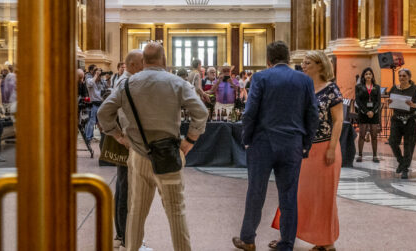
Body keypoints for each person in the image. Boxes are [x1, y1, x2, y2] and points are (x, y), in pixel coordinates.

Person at [98, 42, 208, 251]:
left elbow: (103, 113)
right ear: (163, 59)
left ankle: (131, 248)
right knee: (177, 212)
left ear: (144, 60)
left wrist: (119, 136)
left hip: (138, 155)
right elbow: (201, 112)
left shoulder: (127, 84)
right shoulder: (177, 82)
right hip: (169, 155)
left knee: (136, 212)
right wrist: (190, 141)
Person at [233, 41, 319, 251]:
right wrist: (306, 143)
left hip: (263, 143)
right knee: (289, 194)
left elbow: (250, 112)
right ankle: (286, 243)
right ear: (289, 58)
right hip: (292, 144)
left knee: (256, 191)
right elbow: (313, 115)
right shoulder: (304, 80)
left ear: (268, 60)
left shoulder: (261, 77)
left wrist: (246, 139)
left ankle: (248, 239)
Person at [267, 50, 343, 251]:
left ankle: (326, 242)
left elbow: (338, 121)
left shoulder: (331, 90)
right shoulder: (303, 87)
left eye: (308, 62)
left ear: (320, 65)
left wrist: (332, 148)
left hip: (325, 147)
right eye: (303, 62)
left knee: (323, 196)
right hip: (302, 148)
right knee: (295, 193)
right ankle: (287, 237)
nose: (303, 65)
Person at [98, 49, 144, 248]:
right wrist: (119, 135)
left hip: (126, 141)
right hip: (128, 142)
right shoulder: (126, 83)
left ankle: (121, 233)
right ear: (133, 65)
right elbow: (111, 113)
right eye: (143, 62)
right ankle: (126, 236)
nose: (146, 66)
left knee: (124, 187)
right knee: (127, 190)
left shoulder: (125, 81)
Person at [387, 68, 416, 179]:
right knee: (393, 142)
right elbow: (390, 101)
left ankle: (405, 169)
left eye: (404, 76)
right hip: (397, 118)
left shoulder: (415, 89)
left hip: (411, 119)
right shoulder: (394, 88)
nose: (402, 78)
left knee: (408, 145)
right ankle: (401, 162)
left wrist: (413, 105)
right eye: (400, 76)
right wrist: (389, 102)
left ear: (409, 77)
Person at [354, 67, 381, 163]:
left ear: (372, 75)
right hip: (363, 113)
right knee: (362, 134)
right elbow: (358, 100)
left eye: (370, 74)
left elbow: (378, 101)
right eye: (366, 74)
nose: (368, 75)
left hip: (374, 113)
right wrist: (366, 112)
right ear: (364, 76)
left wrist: (373, 111)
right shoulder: (359, 87)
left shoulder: (377, 87)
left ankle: (375, 156)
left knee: (374, 135)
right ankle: (360, 155)